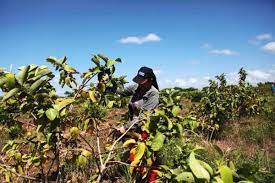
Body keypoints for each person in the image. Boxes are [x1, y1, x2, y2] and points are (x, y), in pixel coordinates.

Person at [115, 66, 159, 133]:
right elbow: (122, 91)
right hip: (132, 125)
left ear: (150, 80)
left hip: (144, 128)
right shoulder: (136, 87)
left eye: (142, 82)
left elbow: (144, 117)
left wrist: (125, 127)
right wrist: (108, 87)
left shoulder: (153, 94)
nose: (139, 84)